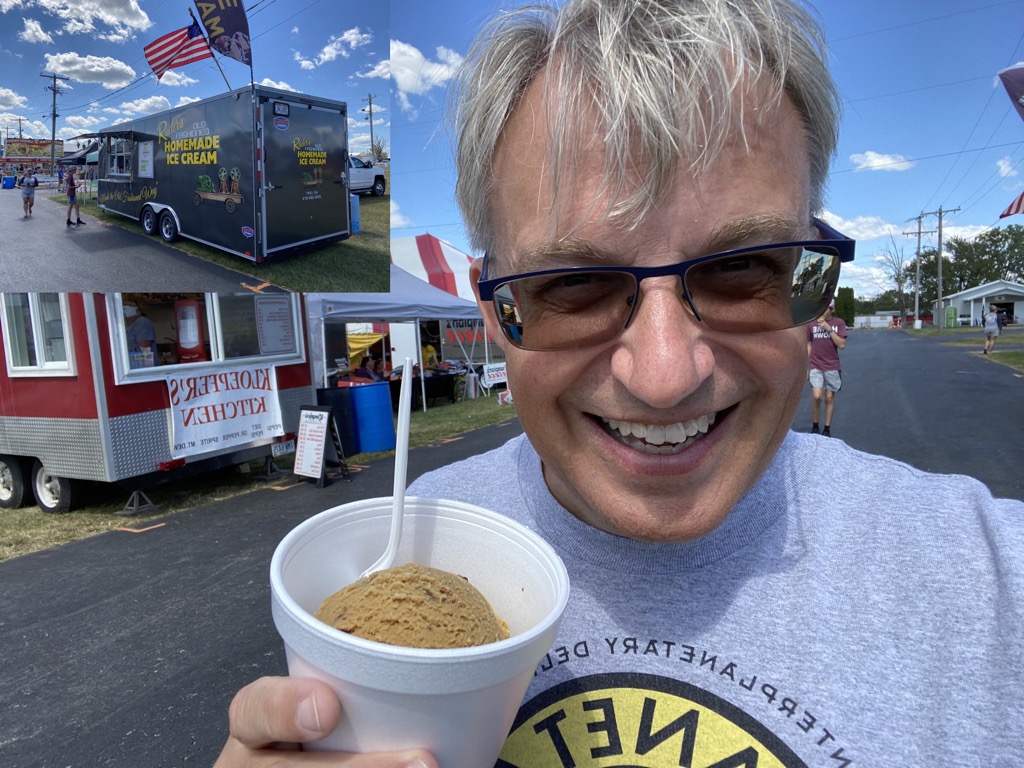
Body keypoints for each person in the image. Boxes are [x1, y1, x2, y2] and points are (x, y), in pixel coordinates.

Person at [215, 1, 1024, 765]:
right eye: (573, 284)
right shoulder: (409, 542)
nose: (666, 376)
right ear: (494, 311)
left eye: (744, 268)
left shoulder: (989, 581)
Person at [806, 298, 847, 436]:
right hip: (815, 365)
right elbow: (809, 344)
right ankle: (815, 426)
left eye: (826, 308)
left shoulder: (838, 323)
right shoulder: (811, 323)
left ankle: (827, 429)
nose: (823, 311)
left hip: (832, 366)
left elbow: (841, 345)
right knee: (817, 396)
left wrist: (828, 329)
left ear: (832, 309)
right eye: (821, 307)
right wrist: (807, 366)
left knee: (829, 398)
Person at [124, 302, 157, 368]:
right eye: (125, 304)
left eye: (130, 305)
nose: (126, 307)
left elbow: (144, 352)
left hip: (143, 370)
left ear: (139, 308)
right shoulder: (130, 325)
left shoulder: (142, 323)